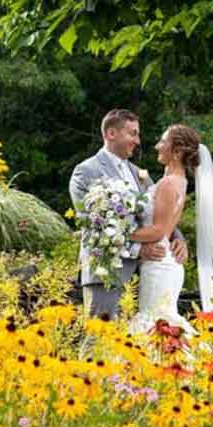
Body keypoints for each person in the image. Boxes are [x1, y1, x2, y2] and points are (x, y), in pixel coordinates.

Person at [69, 109, 188, 320]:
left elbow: (159, 214)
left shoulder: (139, 174)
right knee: (100, 340)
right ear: (111, 133)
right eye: (132, 133)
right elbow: (92, 224)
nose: (138, 141)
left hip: (146, 276)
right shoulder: (86, 171)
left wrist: (178, 238)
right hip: (106, 273)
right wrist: (137, 249)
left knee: (134, 345)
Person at [129, 124, 213, 333]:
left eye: (163, 142)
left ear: (176, 151)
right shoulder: (180, 181)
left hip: (159, 264)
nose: (158, 146)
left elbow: (159, 231)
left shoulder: (168, 184)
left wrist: (120, 234)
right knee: (160, 324)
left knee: (154, 323)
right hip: (164, 263)